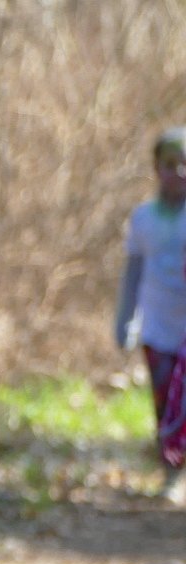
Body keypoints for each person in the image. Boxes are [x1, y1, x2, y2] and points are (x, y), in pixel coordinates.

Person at [115, 126, 186, 505]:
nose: (179, 173)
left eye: (185, 165)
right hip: (158, 329)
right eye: (170, 165)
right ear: (157, 169)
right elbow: (132, 273)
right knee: (165, 404)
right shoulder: (144, 220)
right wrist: (124, 321)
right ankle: (171, 472)